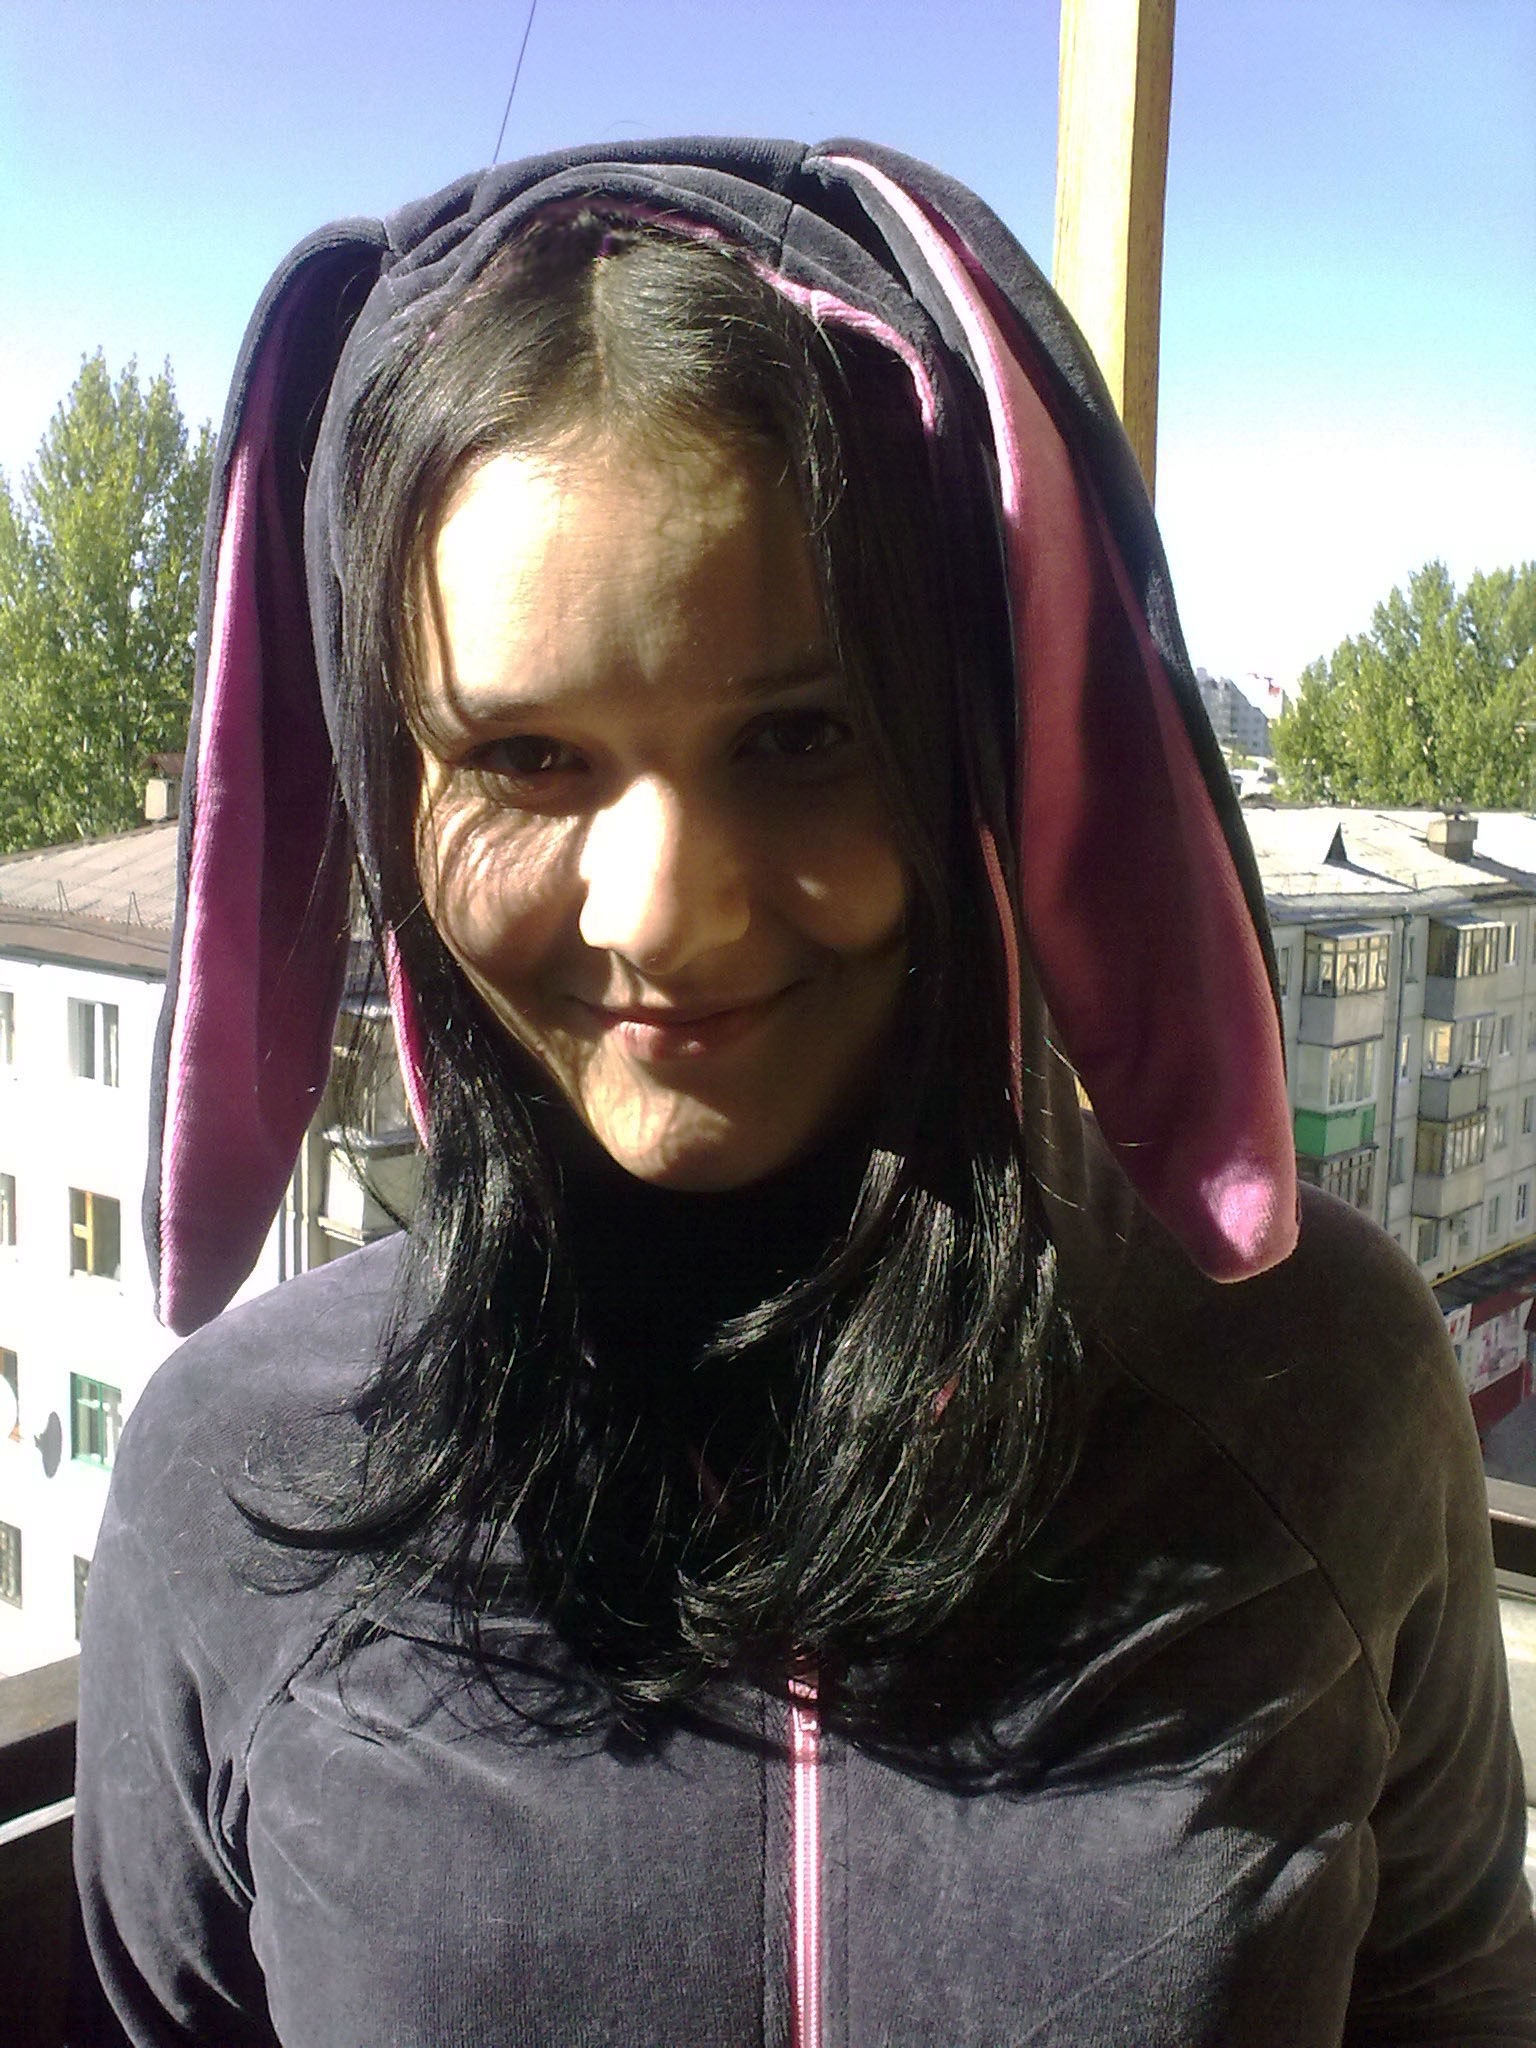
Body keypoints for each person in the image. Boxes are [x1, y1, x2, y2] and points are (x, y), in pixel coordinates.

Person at [72, 139, 1536, 2045]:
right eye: (525, 757)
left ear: (970, 742)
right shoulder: (238, 1483)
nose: (665, 913)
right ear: (386, 786)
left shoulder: (1315, 1384)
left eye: (798, 735)